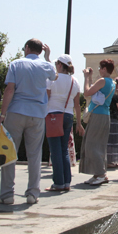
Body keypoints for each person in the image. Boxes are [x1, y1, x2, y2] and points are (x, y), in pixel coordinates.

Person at [0, 38, 56, 205]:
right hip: (37, 113)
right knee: (34, 155)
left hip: (16, 111)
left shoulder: (16, 64)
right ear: (40, 51)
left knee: (9, 152)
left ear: (27, 48)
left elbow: (10, 89)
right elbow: (54, 76)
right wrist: (48, 57)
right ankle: (33, 193)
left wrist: (2, 114)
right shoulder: (46, 66)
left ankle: (7, 194)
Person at [45, 55, 83, 192]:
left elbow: (46, 97)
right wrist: (79, 123)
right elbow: (77, 105)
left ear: (60, 65)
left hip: (54, 115)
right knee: (64, 150)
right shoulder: (74, 81)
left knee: (55, 150)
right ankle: (67, 182)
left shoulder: (52, 79)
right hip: (68, 115)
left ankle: (58, 183)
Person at [80, 60, 116, 185]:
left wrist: (86, 77)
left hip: (98, 115)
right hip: (104, 115)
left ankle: (101, 174)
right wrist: (90, 77)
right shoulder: (111, 82)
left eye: (100, 68)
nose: (99, 70)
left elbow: (87, 93)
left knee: (91, 145)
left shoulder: (102, 81)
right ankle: (98, 173)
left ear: (105, 69)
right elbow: (94, 91)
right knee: (99, 145)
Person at [106, 90, 118, 170]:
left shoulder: (105, 96)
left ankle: (108, 160)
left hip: (106, 118)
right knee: (113, 141)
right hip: (113, 119)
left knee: (108, 141)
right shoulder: (115, 97)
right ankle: (110, 161)